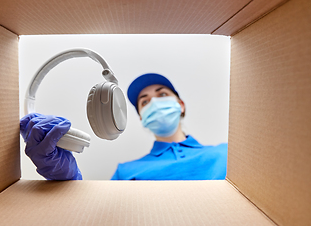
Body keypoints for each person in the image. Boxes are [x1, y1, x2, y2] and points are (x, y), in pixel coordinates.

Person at [20, 73, 227, 180]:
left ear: (180, 105)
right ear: (141, 117)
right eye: (145, 102)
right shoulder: (126, 172)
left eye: (162, 94)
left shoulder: (226, 153)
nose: (154, 102)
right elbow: (95, 218)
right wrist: (66, 178)